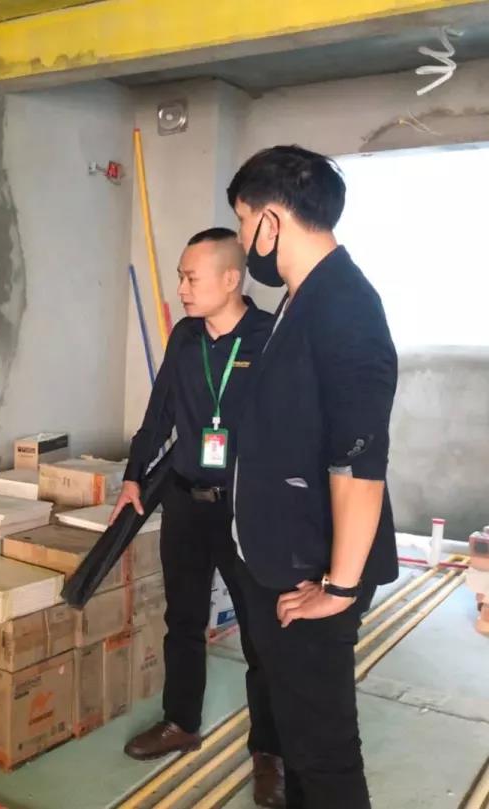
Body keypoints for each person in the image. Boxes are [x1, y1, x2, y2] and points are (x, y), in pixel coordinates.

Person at [226, 145, 399, 809]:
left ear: (271, 221)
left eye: (244, 222)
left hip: (314, 573)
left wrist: (338, 587)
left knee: (324, 757)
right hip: (281, 560)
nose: (245, 239)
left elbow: (359, 462)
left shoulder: (345, 306)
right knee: (299, 744)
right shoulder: (301, 299)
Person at [113, 228, 286, 808]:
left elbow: (290, 429)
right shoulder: (185, 337)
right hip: (185, 502)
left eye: (191, 277)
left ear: (231, 279)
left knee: (261, 636)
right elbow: (159, 413)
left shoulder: (268, 338)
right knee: (182, 620)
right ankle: (180, 723)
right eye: (181, 277)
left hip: (244, 510)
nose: (182, 288)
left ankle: (270, 753)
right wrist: (134, 475)